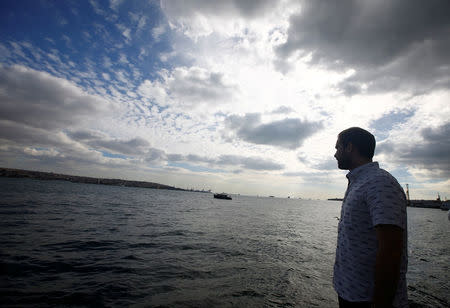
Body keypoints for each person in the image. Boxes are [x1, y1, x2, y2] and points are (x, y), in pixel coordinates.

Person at [333, 127, 408, 308]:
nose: (335, 154)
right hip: (351, 292)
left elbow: (390, 250)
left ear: (350, 147)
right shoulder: (360, 182)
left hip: (368, 299)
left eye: (337, 148)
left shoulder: (379, 183)